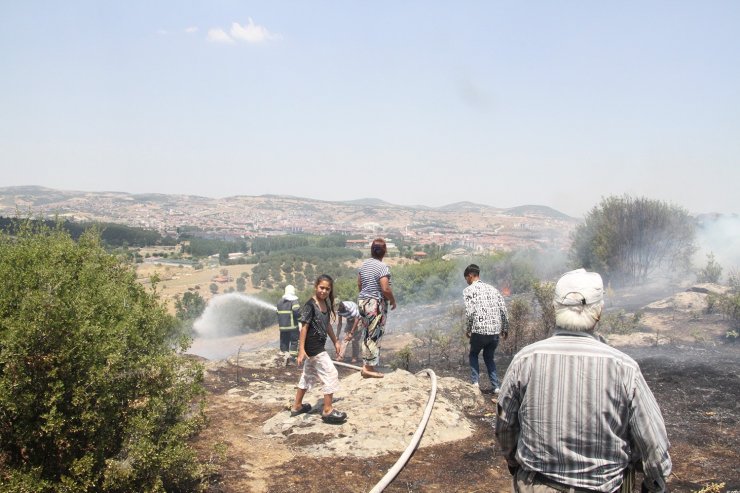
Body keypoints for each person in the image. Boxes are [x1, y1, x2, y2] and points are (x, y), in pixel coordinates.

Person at [495, 268, 672, 493]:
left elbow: (504, 426)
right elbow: (654, 445)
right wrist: (654, 484)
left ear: (556, 308)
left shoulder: (526, 360)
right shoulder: (624, 368)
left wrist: (513, 463)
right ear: (598, 312)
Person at [289, 274, 347, 424]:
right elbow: (304, 327)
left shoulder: (325, 304)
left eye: (327, 289)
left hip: (317, 346)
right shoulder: (310, 305)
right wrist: (301, 350)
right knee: (331, 373)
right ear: (316, 287)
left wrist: (336, 341)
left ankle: (297, 406)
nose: (324, 291)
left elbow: (327, 325)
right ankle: (327, 410)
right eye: (322, 288)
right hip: (313, 347)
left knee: (308, 375)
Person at [462, 264, 508, 393]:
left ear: (470, 276)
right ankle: (496, 387)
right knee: (489, 357)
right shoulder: (493, 289)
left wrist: (468, 329)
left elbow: (470, 312)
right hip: (494, 331)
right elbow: (503, 309)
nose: (467, 282)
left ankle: (475, 384)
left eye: (466, 279)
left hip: (480, 330)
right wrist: (505, 328)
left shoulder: (468, 291)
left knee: (473, 354)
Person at [357, 238, 396, 378]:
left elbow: (360, 284)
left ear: (371, 250)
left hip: (362, 301)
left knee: (367, 333)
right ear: (384, 251)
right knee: (374, 335)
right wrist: (392, 300)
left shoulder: (363, 265)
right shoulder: (382, 267)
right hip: (375, 304)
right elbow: (385, 288)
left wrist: (365, 297)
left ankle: (367, 364)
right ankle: (369, 368)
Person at [276, 284, 300, 355]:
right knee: (294, 341)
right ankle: (292, 358)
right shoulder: (294, 301)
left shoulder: (279, 302)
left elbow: (277, 313)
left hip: (282, 328)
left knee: (284, 341)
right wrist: (301, 319)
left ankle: (284, 355)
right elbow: (297, 311)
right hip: (293, 327)